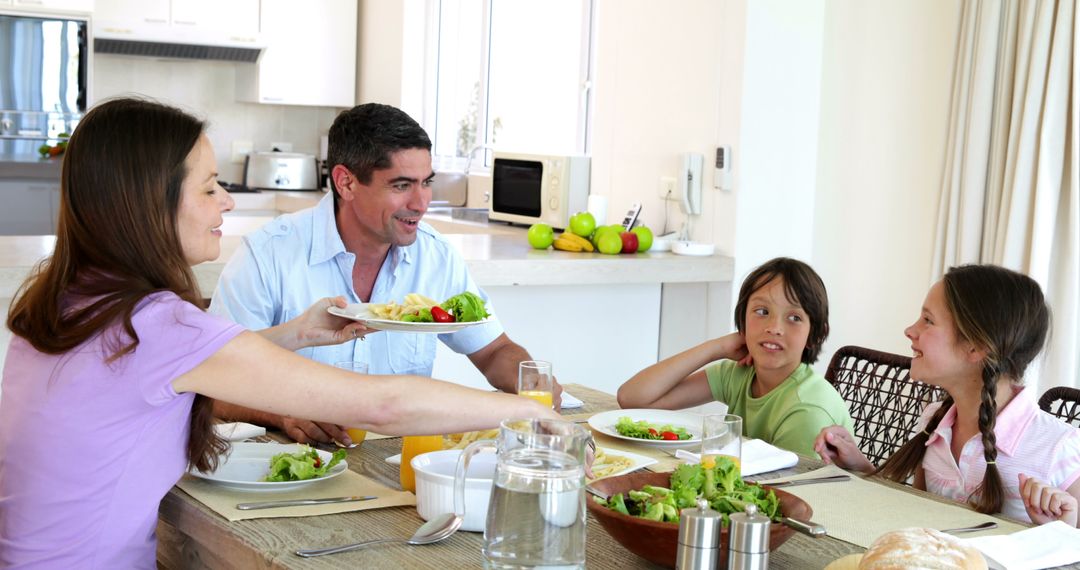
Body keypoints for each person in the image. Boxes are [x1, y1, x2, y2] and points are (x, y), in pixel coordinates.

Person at [0, 98, 559, 568]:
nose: (227, 201)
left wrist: (296, 333)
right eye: (210, 187)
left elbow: (178, 370)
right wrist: (529, 411)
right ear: (149, 203)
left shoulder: (70, 303)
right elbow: (383, 405)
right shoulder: (157, 323)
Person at [208, 102, 562, 445]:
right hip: (295, 466)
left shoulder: (435, 256)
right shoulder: (268, 255)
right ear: (346, 183)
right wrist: (282, 413)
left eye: (426, 182)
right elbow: (212, 383)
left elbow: (494, 350)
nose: (421, 203)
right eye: (402, 185)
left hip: (398, 459)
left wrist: (532, 384)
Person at [815, 264, 1080, 527]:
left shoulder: (1059, 448)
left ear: (976, 347)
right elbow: (916, 510)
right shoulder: (935, 421)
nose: (910, 330)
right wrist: (859, 465)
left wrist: (1062, 532)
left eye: (928, 320)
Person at [617, 257, 853, 456]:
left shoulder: (807, 410)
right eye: (762, 312)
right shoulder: (740, 374)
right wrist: (716, 347)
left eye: (794, 318)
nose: (774, 327)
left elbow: (798, 495)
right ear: (742, 320)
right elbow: (633, 398)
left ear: (815, 335)